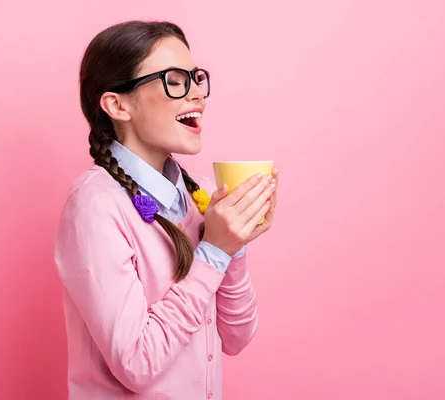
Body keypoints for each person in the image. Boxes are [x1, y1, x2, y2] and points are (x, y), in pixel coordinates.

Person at [54, 20, 279, 400]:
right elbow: (137, 364)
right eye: (175, 80)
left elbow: (236, 337)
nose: (198, 96)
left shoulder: (199, 197)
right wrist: (215, 252)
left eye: (196, 78)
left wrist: (234, 242)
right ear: (118, 104)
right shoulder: (95, 205)